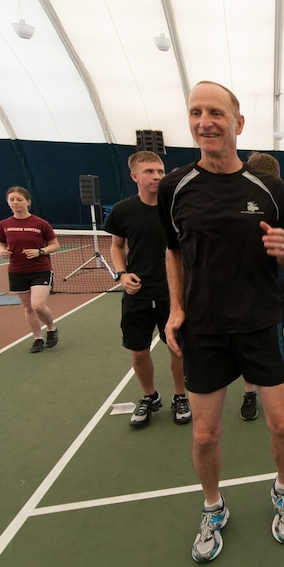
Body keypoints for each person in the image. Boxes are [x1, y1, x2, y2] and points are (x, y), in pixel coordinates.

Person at [158, 81, 284, 562]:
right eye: (196, 112)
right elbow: (173, 251)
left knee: (281, 426)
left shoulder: (272, 188)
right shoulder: (175, 187)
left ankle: (283, 489)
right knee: (204, 435)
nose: (204, 121)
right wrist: (177, 309)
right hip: (204, 330)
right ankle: (213, 506)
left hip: (261, 324)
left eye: (215, 112)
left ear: (238, 124)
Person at [103, 151, 191, 428]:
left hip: (171, 292)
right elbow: (117, 246)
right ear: (134, 176)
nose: (156, 176)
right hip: (137, 294)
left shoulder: (176, 209)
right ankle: (149, 397)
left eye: (160, 171)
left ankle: (180, 397)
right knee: (138, 351)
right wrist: (122, 274)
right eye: (149, 171)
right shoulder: (123, 210)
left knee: (177, 348)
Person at [239, 151, 284, 422]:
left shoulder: (280, 205)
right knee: (247, 340)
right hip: (242, 288)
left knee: (275, 339)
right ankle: (250, 392)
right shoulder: (236, 205)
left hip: (275, 285)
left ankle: (277, 391)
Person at [0, 187, 60, 353]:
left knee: (38, 305)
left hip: (40, 269)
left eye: (19, 199)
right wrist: (2, 251)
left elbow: (54, 244)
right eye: (12, 200)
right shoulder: (4, 225)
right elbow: (1, 243)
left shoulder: (41, 224)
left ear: (28, 202)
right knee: (28, 308)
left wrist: (39, 251)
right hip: (17, 270)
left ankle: (51, 328)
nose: (15, 203)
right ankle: (38, 338)